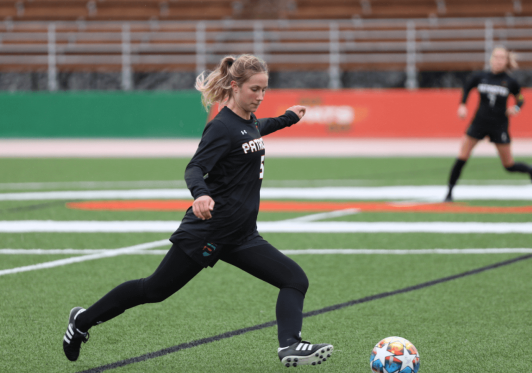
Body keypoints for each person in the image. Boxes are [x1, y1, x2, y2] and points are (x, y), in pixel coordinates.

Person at [62, 54, 334, 367]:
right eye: (254, 89)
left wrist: (288, 117)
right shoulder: (221, 127)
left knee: (294, 279)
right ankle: (82, 322)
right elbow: (195, 167)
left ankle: (290, 345)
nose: (260, 97)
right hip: (209, 230)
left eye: (264, 90)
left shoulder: (248, 121)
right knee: (154, 290)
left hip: (241, 235)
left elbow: (257, 131)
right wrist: (201, 194)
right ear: (235, 86)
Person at [444, 46, 532, 202]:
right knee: (462, 156)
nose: (498, 61)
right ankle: (449, 192)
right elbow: (467, 87)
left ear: (506, 61)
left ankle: (531, 170)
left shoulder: (510, 81)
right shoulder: (481, 77)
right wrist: (462, 104)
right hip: (479, 123)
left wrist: (516, 108)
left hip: (499, 125)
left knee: (508, 165)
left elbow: (521, 99)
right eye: (496, 57)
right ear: (491, 59)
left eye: (502, 58)